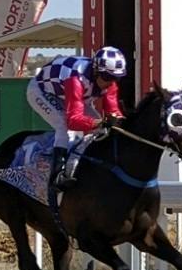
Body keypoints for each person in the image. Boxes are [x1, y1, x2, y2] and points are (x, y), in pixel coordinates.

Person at [27, 46, 127, 195]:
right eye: (107, 77)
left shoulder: (109, 82)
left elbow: (113, 113)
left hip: (68, 93)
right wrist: (100, 122)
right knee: (63, 126)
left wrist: (118, 121)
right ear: (96, 71)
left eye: (116, 78)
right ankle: (57, 176)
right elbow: (73, 121)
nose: (111, 82)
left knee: (100, 127)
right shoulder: (76, 79)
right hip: (41, 91)